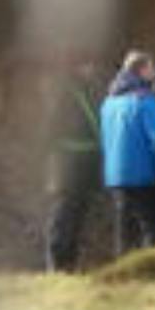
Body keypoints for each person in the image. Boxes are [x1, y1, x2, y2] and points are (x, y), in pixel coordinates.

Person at [99, 49, 155, 257]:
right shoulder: (146, 100)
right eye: (151, 68)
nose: (154, 73)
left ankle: (123, 271)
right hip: (142, 174)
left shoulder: (108, 103)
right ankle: (153, 270)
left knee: (124, 229)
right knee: (151, 226)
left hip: (115, 176)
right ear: (142, 70)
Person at [43, 57, 104, 273]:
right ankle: (56, 264)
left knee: (79, 215)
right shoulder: (63, 93)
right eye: (86, 64)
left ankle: (70, 263)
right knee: (63, 215)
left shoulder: (91, 91)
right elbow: (50, 132)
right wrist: (51, 163)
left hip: (86, 165)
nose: (91, 68)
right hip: (68, 165)